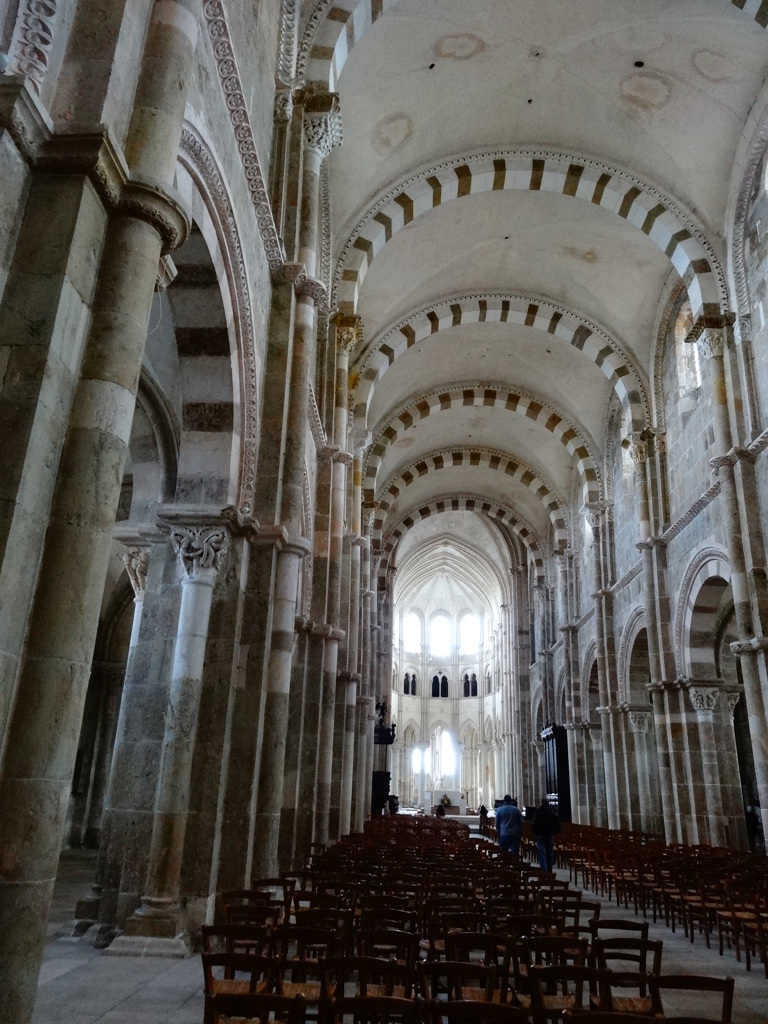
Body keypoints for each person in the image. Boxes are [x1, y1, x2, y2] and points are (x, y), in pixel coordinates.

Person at [532, 796, 561, 872]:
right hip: (549, 835)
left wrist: (536, 833)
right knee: (549, 853)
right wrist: (553, 832)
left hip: (540, 835)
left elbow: (534, 824)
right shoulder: (551, 812)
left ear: (541, 803)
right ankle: (549, 870)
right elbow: (558, 824)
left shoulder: (538, 812)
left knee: (541, 853)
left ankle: (543, 870)